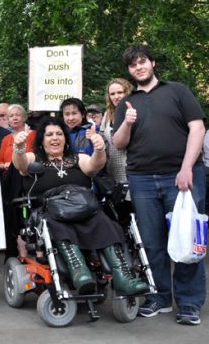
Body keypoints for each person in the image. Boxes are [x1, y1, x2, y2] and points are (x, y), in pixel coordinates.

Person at [113, 44, 206, 325]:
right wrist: (127, 123)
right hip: (141, 179)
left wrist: (187, 167)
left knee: (188, 241)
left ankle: (189, 303)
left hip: (182, 176)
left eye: (142, 62)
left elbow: (197, 128)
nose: (138, 67)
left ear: (152, 63)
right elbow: (119, 144)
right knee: (152, 244)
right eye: (133, 65)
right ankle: (160, 297)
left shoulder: (177, 91)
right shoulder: (126, 103)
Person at [13, 117, 148, 296]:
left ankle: (123, 277)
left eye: (59, 134)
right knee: (54, 223)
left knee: (103, 219)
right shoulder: (33, 158)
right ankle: (80, 273)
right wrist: (19, 147)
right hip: (50, 210)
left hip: (84, 208)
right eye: (49, 134)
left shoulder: (78, 158)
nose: (55, 138)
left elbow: (94, 166)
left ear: (65, 138)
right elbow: (20, 164)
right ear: (42, 139)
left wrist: (99, 149)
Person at [0, 104, 36, 258]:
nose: (13, 118)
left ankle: (31, 247)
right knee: (11, 214)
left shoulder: (32, 134)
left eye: (17, 115)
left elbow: (34, 155)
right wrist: (5, 165)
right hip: (9, 180)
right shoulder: (6, 138)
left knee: (25, 213)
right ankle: (17, 249)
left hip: (26, 179)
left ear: (23, 117)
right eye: (10, 116)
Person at [100, 78, 133, 186]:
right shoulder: (107, 115)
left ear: (127, 92)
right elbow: (102, 139)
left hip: (133, 171)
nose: (116, 97)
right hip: (113, 172)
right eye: (112, 94)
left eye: (120, 92)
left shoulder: (135, 113)